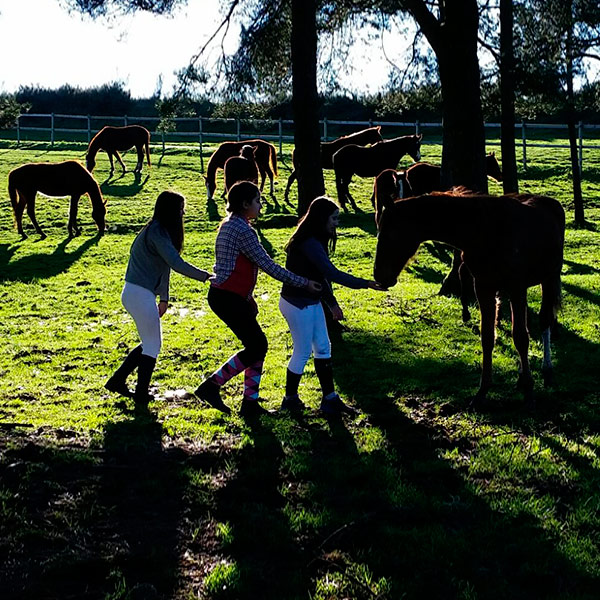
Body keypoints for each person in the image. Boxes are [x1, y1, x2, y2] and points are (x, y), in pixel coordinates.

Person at [194, 181, 321, 417]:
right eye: (258, 201)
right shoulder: (243, 230)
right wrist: (304, 282)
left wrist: (247, 297)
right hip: (227, 296)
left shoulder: (228, 225)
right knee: (258, 345)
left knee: (256, 346)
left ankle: (249, 404)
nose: (261, 206)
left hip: (227, 295)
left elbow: (235, 266)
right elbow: (267, 265)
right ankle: (211, 386)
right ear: (245, 204)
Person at [279, 196, 386, 414]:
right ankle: (290, 399)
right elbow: (331, 273)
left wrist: (332, 304)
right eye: (334, 218)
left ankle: (330, 399)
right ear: (321, 219)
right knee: (302, 351)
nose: (336, 223)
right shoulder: (309, 243)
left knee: (323, 347)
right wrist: (365, 284)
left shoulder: (315, 240)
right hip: (298, 304)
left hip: (311, 301)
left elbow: (319, 278)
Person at [105, 191, 212, 407]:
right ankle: (141, 394)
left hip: (138, 293)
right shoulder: (156, 232)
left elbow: (164, 267)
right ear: (171, 210)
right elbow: (175, 263)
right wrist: (207, 277)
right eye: (181, 209)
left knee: (149, 342)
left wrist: (164, 298)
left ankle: (118, 381)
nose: (183, 213)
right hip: (138, 293)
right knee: (153, 345)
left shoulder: (158, 231)